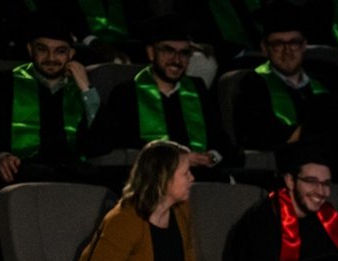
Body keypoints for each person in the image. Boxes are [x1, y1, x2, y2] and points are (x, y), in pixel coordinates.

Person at [231, 4, 338, 163]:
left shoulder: (324, 77)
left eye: (294, 42)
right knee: (323, 105)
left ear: (304, 45)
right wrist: (316, 122)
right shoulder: (252, 84)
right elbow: (259, 135)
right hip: (295, 158)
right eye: (278, 44)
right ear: (264, 48)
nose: (287, 51)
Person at [70, 140, 201, 261]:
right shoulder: (125, 218)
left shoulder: (181, 210)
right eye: (185, 173)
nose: (192, 178)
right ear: (163, 177)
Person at [0, 16, 105, 187]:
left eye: (60, 51)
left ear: (71, 54)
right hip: (23, 170)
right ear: (30, 49)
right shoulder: (3, 84)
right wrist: (0, 156)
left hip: (73, 170)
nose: (51, 58)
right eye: (43, 49)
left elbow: (102, 142)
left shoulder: (79, 88)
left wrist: (86, 89)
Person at [88, 16, 238, 172]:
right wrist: (178, 158)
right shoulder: (127, 93)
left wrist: (212, 157)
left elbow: (221, 140)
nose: (177, 60)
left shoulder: (197, 90)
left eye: (184, 53)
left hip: (200, 176)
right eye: (168, 51)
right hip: (151, 178)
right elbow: (119, 142)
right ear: (151, 53)